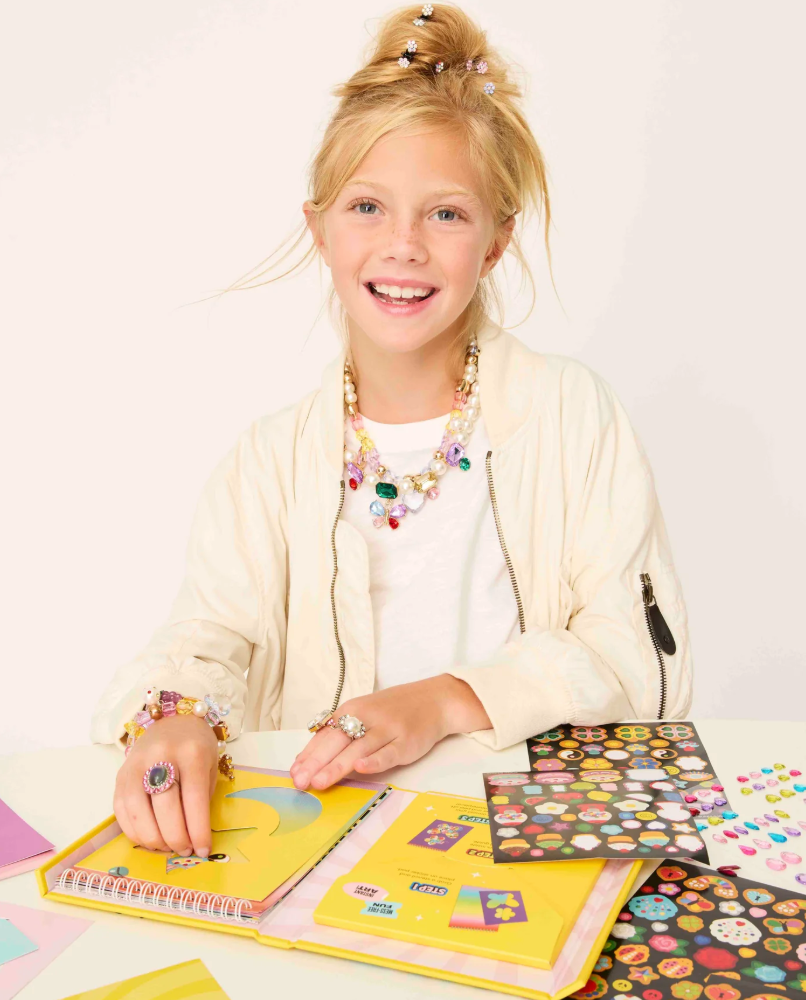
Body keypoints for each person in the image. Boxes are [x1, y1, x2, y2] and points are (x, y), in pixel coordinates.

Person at [90, 3, 693, 860]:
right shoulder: (269, 463)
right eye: (368, 206)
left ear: (494, 243)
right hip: (331, 852)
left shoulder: (569, 417)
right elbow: (208, 637)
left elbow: (640, 658)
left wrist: (448, 699)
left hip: (533, 840)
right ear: (320, 229)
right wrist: (175, 717)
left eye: (446, 214)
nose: (404, 245)